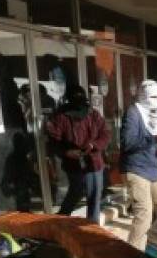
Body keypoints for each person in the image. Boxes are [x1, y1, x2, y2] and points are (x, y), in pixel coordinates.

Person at [45, 84, 110, 223]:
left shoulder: (93, 114)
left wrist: (93, 145)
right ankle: (61, 219)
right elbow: (53, 141)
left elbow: (105, 134)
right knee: (76, 191)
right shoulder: (60, 117)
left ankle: (92, 227)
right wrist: (67, 152)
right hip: (73, 162)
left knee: (94, 194)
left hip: (94, 161)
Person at [121, 79, 157, 250]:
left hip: (155, 169)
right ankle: (133, 254)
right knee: (144, 215)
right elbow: (128, 143)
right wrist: (155, 139)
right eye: (153, 96)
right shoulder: (133, 113)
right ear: (143, 95)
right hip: (136, 168)